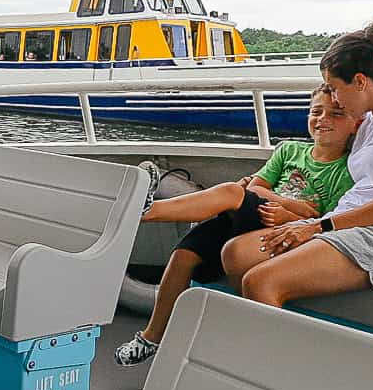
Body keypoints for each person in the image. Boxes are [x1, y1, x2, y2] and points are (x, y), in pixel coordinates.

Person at [113, 88, 359, 366]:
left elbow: (324, 220)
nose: (323, 119)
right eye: (316, 111)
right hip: (258, 213)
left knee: (232, 191)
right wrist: (291, 207)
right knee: (183, 257)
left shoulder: (347, 171)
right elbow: (255, 186)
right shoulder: (290, 150)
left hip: (282, 228)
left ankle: (145, 212)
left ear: (355, 124)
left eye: (336, 114)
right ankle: (150, 338)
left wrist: (288, 216)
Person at [224, 19, 373, 308]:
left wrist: (317, 227)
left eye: (335, 88)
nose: (334, 98)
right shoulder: (372, 120)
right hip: (351, 225)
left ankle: (284, 348)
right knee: (236, 254)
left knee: (260, 281)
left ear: (360, 81)